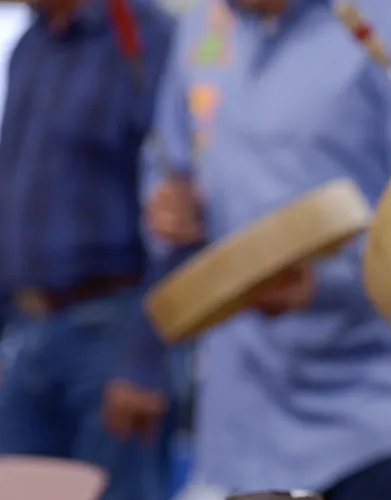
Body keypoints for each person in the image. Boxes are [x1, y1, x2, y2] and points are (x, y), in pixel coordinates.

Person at [103, 0, 391, 498]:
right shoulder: (206, 23)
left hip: (374, 425)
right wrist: (169, 206)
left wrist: (326, 282)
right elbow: (171, 159)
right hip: (237, 431)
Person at [0, 0, 175, 499]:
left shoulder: (143, 38)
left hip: (112, 331)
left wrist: (146, 360)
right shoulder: (31, 44)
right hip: (27, 331)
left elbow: (178, 205)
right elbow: (12, 193)